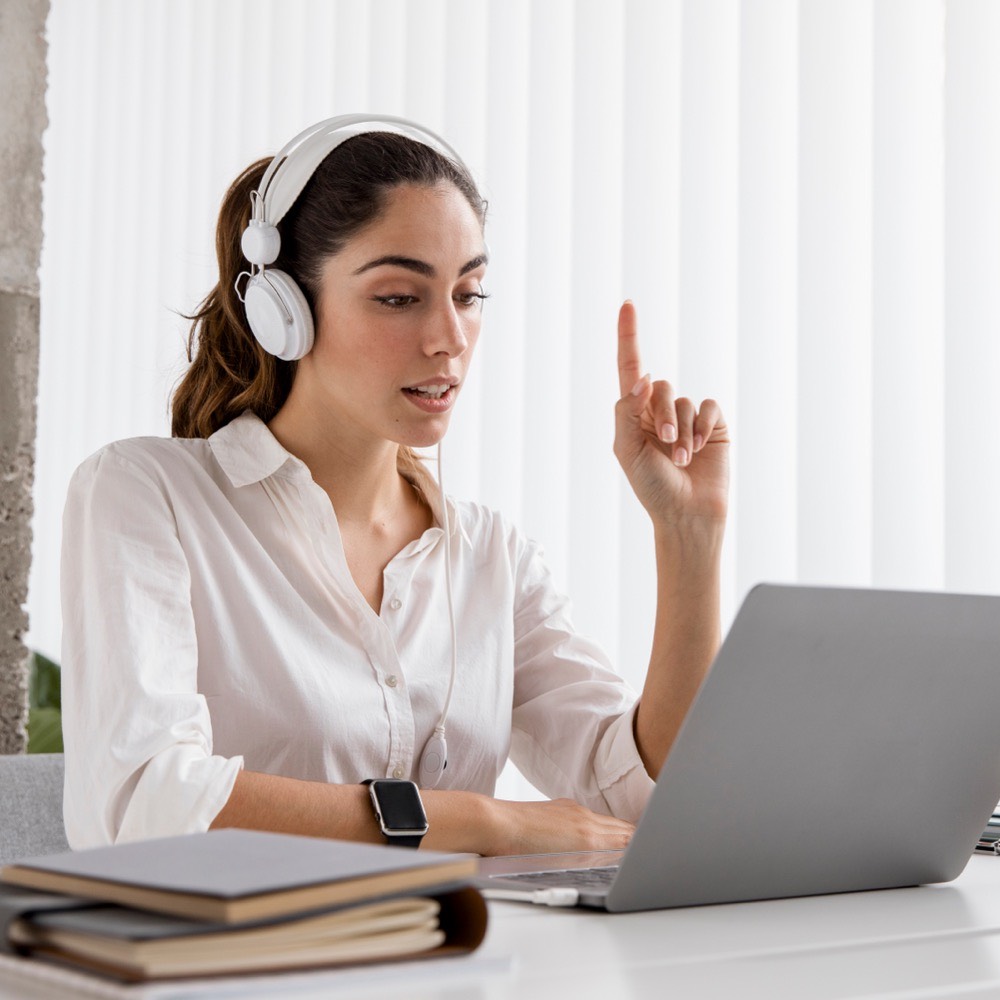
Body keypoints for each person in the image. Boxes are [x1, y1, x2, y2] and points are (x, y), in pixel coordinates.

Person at [60, 115, 729, 856]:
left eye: (468, 294)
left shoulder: (490, 557)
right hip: (245, 935)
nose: (450, 339)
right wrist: (486, 822)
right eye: (399, 297)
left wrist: (688, 536)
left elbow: (640, 794)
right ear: (283, 310)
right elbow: (146, 802)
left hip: (461, 932)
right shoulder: (146, 495)